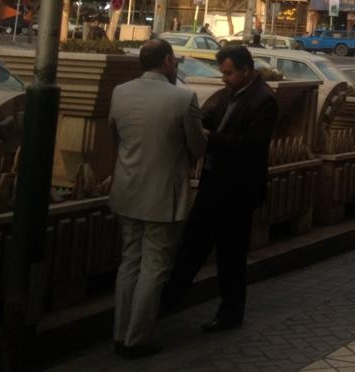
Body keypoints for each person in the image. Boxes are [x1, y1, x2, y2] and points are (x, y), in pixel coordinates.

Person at [164, 46, 278, 332]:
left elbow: (252, 146)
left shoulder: (264, 100)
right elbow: (207, 117)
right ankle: (167, 303)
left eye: (228, 73)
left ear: (246, 70)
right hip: (214, 183)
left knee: (231, 255)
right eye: (222, 72)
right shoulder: (229, 94)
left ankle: (229, 313)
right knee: (192, 246)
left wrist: (210, 138)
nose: (224, 78)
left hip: (238, 189)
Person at [108, 39, 207, 359]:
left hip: (127, 190)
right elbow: (198, 146)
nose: (176, 64)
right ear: (166, 61)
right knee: (154, 266)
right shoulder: (183, 98)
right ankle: (137, 338)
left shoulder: (120, 92)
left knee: (129, 262)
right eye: (174, 60)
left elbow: (116, 137)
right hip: (164, 195)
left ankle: (120, 332)